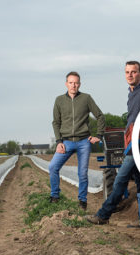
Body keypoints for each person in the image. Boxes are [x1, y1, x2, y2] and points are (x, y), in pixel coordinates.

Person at [86, 61, 140, 224]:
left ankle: (103, 215)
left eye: (133, 72)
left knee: (120, 180)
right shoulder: (131, 93)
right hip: (131, 142)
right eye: (127, 72)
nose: (130, 75)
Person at [49, 71, 105, 210]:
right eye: (71, 82)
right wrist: (59, 142)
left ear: (79, 84)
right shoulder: (59, 100)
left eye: (76, 83)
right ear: (66, 84)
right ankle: (55, 196)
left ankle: (82, 202)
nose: (73, 85)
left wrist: (99, 135)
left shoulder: (86, 98)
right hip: (66, 142)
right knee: (53, 167)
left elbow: (100, 116)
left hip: (83, 142)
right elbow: (56, 122)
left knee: (82, 173)